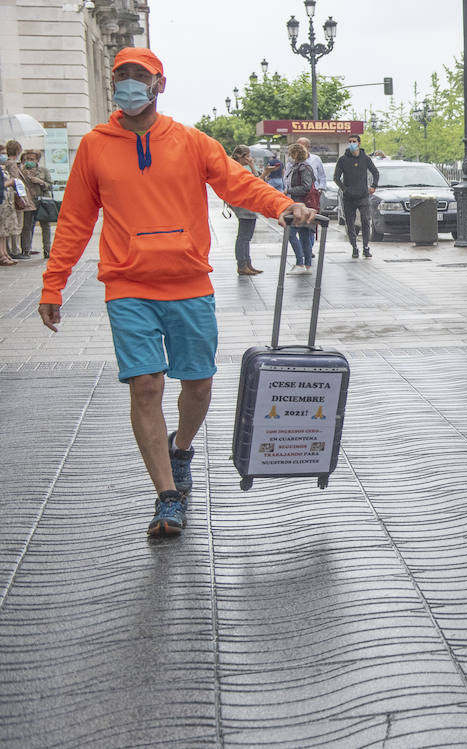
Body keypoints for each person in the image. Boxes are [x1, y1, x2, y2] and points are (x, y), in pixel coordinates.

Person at [38, 47, 309, 538]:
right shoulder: (95, 145)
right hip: (127, 285)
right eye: (121, 75)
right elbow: (76, 220)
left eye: (139, 76)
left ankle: (180, 449)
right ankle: (166, 496)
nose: (129, 84)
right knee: (146, 386)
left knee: (198, 385)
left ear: (159, 84)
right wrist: (52, 284)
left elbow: (239, 184)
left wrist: (283, 206)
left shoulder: (190, 141)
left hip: (188, 284)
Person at [333, 135, 379, 257]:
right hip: (349, 197)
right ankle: (354, 247)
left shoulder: (365, 158)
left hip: (363, 195)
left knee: (365, 220)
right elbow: (336, 177)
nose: (352, 143)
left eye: (354, 141)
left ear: (359, 143)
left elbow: (375, 172)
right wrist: (344, 189)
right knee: (350, 223)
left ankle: (366, 247)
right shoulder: (343, 160)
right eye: (350, 142)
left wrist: (374, 186)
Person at [229, 146, 263, 275]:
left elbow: (258, 182)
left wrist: (252, 166)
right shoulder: (235, 168)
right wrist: (253, 167)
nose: (250, 159)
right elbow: (256, 182)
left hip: (248, 203)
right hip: (243, 203)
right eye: (247, 156)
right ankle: (242, 265)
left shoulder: (243, 167)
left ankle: (247, 263)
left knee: (246, 237)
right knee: (243, 236)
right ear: (240, 156)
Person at [283, 142, 317, 274]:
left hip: (302, 205)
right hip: (301, 204)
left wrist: (289, 190)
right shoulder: (298, 167)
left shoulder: (303, 167)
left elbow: (306, 187)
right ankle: (306, 265)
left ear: (296, 153)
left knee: (291, 234)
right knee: (304, 235)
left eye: (291, 153)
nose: (289, 156)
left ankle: (300, 263)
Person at [17, 148, 53, 258]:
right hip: (29, 202)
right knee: (27, 226)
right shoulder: (21, 171)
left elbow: (50, 186)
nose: (29, 161)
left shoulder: (43, 171)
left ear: (37, 160)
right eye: (27, 159)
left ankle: (47, 250)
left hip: (42, 200)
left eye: (32, 159)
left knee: (45, 226)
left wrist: (40, 182)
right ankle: (26, 250)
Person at [2, 141, 29, 260]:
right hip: (12, 198)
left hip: (9, 197)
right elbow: (16, 181)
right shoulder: (12, 164)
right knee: (15, 225)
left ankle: (7, 251)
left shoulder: (8, 164)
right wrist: (22, 198)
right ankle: (14, 249)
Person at [0, 148, 20, 265]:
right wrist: (10, 182)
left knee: (4, 230)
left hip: (6, 201)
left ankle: (4, 252)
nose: (4, 156)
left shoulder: (3, 168)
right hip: (2, 201)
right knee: (2, 230)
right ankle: (2, 255)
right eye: (2, 153)